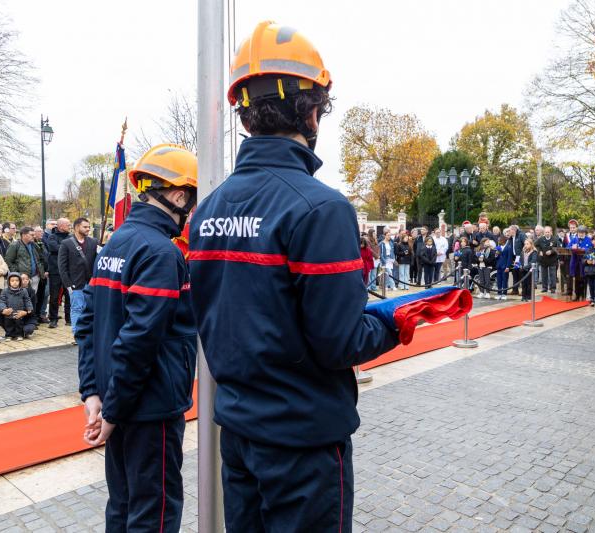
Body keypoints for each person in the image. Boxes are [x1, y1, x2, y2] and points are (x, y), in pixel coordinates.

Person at [189, 25, 401, 530]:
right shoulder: (320, 207)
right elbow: (339, 341)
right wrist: (395, 320)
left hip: (239, 433)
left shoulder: (207, 210)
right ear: (312, 112)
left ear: (244, 113)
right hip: (302, 442)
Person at [76, 143, 198, 532]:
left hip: (119, 399)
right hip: (150, 406)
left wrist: (94, 393)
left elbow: (88, 325)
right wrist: (112, 409)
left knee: (123, 505)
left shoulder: (117, 243)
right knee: (154, 514)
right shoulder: (161, 252)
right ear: (178, 195)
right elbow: (140, 339)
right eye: (191, 201)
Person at [58, 217, 98, 336]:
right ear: (76, 227)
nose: (88, 229)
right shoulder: (66, 243)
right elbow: (62, 266)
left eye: (88, 227)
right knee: (77, 308)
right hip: (75, 283)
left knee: (90, 309)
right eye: (85, 227)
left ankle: (88, 331)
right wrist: (68, 284)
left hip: (91, 283)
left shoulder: (93, 242)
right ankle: (77, 334)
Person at [4, 227, 46, 301]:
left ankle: (30, 312)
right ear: (24, 235)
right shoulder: (15, 245)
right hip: (23, 278)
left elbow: (40, 259)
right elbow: (8, 261)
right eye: (31, 235)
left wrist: (41, 271)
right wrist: (18, 274)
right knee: (21, 299)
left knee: (31, 298)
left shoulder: (34, 245)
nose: (34, 236)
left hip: (35, 277)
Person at [45, 218, 72, 328]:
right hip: (55, 271)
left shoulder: (70, 236)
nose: (69, 226)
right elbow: (54, 248)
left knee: (69, 296)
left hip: (68, 270)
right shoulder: (52, 236)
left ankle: (69, 319)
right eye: (68, 225)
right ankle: (53, 319)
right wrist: (67, 248)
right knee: (54, 296)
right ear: (61, 226)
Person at [0, 272, 33, 341]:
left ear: (20, 281)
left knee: (19, 324)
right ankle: (9, 335)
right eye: (12, 281)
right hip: (9, 312)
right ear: (9, 282)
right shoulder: (5, 291)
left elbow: (27, 300)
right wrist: (4, 309)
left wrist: (29, 308)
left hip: (19, 311)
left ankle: (19, 335)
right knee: (9, 324)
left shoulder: (24, 291)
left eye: (17, 280)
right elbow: (2, 301)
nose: (15, 282)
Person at [567, 225, 592, 301]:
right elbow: (568, 247)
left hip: (584, 262)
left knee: (583, 279)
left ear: (585, 233)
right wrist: (572, 247)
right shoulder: (575, 239)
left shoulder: (589, 240)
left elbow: (591, 249)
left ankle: (583, 295)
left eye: (582, 232)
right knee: (577, 279)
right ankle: (577, 296)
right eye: (579, 232)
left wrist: (584, 249)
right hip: (575, 262)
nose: (580, 234)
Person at [535, 226, 560, 294]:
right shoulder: (540, 239)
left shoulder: (555, 239)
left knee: (552, 274)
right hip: (543, 260)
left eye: (548, 232)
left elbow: (558, 248)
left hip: (552, 259)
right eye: (546, 232)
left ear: (551, 232)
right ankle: (544, 287)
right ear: (544, 232)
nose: (547, 233)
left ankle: (553, 288)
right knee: (544, 274)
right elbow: (536, 246)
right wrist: (539, 251)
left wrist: (551, 251)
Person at [31, 226, 50, 321]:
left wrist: (47, 270)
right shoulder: (32, 245)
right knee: (36, 295)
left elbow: (46, 257)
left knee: (44, 294)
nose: (41, 233)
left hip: (44, 273)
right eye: (39, 231)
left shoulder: (42, 242)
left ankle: (41, 314)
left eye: (42, 231)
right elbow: (37, 259)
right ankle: (34, 316)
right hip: (37, 273)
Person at [495, 235, 513, 300]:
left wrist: (508, 267)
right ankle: (499, 293)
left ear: (503, 240)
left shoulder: (509, 247)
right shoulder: (498, 247)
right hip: (499, 266)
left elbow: (509, 258)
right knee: (499, 280)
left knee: (505, 280)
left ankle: (504, 294)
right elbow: (496, 257)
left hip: (505, 266)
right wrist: (496, 254)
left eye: (500, 240)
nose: (498, 241)